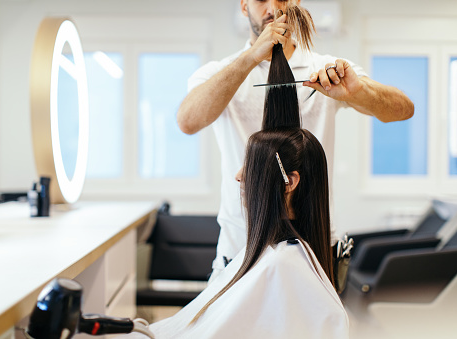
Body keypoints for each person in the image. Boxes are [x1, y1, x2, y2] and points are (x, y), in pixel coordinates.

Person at [176, 0, 414, 282]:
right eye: (261, 0)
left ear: (296, 3)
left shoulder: (325, 70)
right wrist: (251, 57)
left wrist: (357, 92)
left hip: (314, 251)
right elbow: (187, 121)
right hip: (240, 250)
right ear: (244, 6)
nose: (272, 8)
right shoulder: (220, 72)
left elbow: (404, 109)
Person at [121, 127, 349, 339]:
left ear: (288, 182)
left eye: (251, 165)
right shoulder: (277, 257)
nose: (239, 175)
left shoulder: (281, 264)